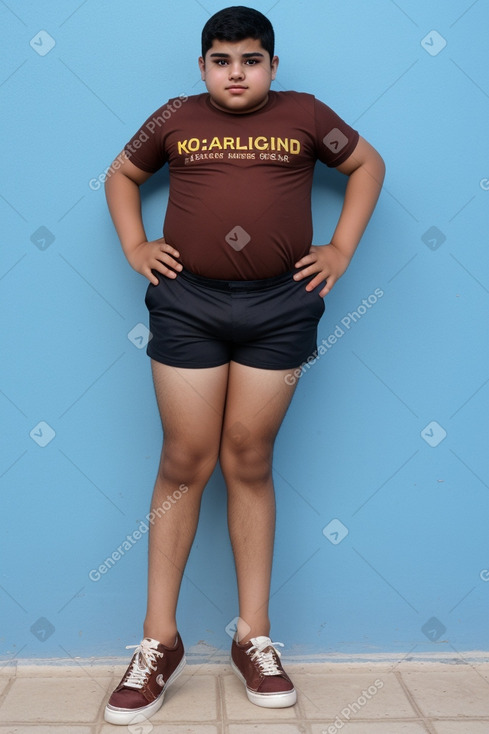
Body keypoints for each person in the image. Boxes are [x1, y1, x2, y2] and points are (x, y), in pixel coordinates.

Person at [103, 5, 385, 725]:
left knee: (248, 458)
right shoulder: (174, 117)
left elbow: (365, 163)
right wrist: (137, 247)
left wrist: (341, 249)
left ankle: (251, 636)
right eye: (222, 60)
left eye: (250, 59)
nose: (236, 72)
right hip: (187, 305)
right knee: (184, 459)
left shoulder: (304, 114)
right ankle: (157, 641)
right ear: (202, 68)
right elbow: (120, 175)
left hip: (280, 307)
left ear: (272, 67)